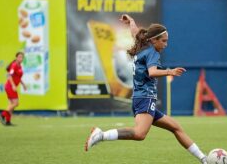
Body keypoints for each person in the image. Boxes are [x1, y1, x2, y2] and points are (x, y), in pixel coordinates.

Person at [84, 14, 207, 164]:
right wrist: (170, 71)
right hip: (145, 97)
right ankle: (101, 135)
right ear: (154, 40)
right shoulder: (152, 53)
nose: (166, 44)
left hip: (141, 98)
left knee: (176, 128)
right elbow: (152, 72)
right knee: (140, 134)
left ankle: (204, 159)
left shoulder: (143, 45)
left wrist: (131, 22)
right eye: (164, 41)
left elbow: (135, 32)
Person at [0, 52, 26, 126]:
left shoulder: (19, 66)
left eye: (22, 57)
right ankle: (2, 115)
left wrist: (23, 84)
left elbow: (18, 77)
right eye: (19, 57)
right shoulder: (14, 65)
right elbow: (9, 76)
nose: (21, 58)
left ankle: (8, 121)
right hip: (10, 86)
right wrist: (13, 85)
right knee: (16, 103)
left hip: (11, 86)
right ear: (16, 57)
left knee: (11, 105)